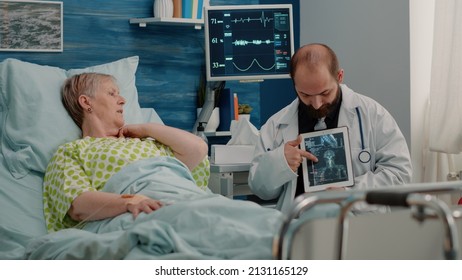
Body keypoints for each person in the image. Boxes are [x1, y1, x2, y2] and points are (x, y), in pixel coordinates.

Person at [248, 43, 412, 214]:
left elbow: (400, 174)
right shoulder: (276, 125)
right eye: (305, 94)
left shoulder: (373, 115)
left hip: (355, 224)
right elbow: (260, 190)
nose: (317, 104)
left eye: (325, 93)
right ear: (294, 82)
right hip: (298, 225)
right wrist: (280, 162)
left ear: (339, 76)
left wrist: (350, 194)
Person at [43, 73, 210, 232]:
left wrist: (146, 128)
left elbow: (198, 149)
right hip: (139, 213)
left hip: (186, 198)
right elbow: (77, 204)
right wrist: (131, 201)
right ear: (86, 102)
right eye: (112, 93)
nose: (122, 100)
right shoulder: (72, 151)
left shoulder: (149, 142)